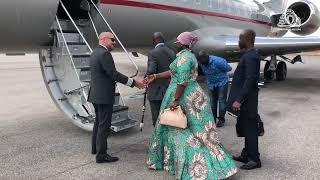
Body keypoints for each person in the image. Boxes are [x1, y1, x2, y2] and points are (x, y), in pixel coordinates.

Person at [145, 32, 237, 179]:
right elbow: (172, 72)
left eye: (178, 41)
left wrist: (175, 100)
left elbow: (182, 82)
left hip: (184, 96)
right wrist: (155, 76)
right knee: (197, 130)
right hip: (192, 94)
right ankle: (176, 161)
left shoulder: (185, 57)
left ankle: (196, 164)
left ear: (183, 43)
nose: (176, 43)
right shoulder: (185, 56)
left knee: (180, 129)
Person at [88, 32, 144, 163]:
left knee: (98, 122)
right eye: (112, 40)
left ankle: (95, 149)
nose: (114, 42)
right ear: (104, 39)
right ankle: (101, 155)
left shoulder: (95, 52)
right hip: (103, 96)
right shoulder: (105, 54)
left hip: (95, 94)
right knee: (104, 125)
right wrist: (134, 82)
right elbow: (113, 73)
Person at [228, 29, 261, 170]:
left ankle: (254, 159)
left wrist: (239, 100)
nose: (238, 41)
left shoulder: (251, 56)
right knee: (246, 128)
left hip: (248, 100)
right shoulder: (248, 55)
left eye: (240, 38)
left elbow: (250, 80)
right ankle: (246, 154)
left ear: (246, 39)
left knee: (251, 129)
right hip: (245, 100)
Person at [146, 32, 175, 126]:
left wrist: (146, 77)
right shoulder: (171, 51)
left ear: (154, 41)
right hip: (170, 89)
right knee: (169, 117)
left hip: (156, 91)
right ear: (163, 40)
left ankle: (158, 139)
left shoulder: (152, 53)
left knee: (157, 118)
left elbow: (151, 70)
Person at [198, 51, 232, 127]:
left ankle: (221, 119)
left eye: (205, 62)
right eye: (201, 62)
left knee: (222, 100)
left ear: (208, 57)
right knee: (212, 101)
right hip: (211, 83)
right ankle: (213, 119)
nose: (203, 64)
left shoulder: (218, 61)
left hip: (222, 82)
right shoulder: (201, 62)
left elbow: (229, 68)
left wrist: (218, 73)